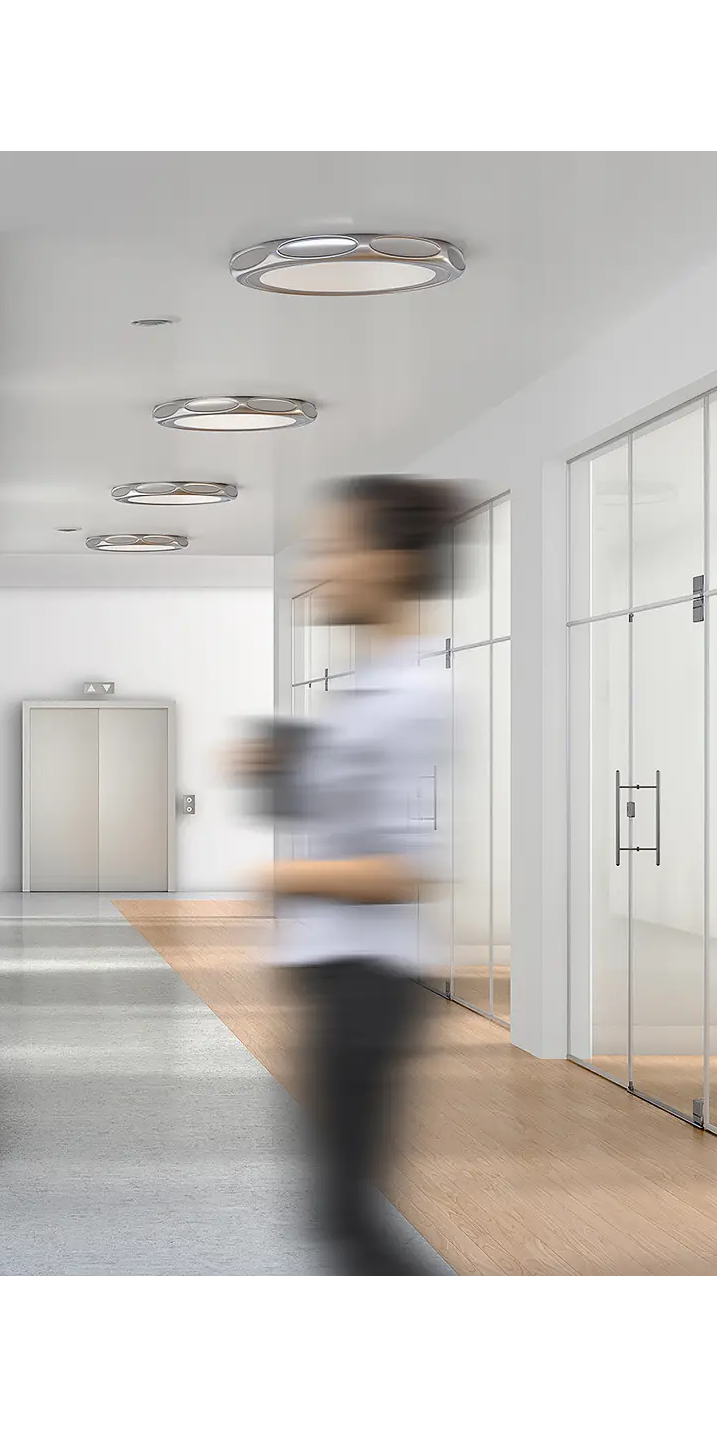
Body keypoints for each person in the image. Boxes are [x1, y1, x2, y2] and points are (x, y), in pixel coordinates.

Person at [245, 475, 460, 1280]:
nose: (323, 566)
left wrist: (280, 879)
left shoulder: (416, 697)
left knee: (346, 1222)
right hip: (336, 973)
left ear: (395, 561)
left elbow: (405, 869)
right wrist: (282, 768)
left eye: (339, 548)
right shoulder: (368, 691)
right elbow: (345, 816)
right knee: (339, 1216)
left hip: (371, 978)